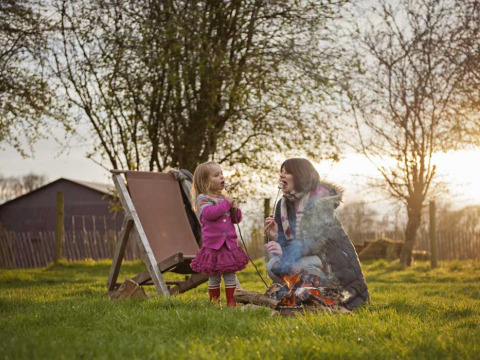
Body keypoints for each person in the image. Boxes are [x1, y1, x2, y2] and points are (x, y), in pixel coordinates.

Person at [264, 158, 370, 309]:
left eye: (287, 172)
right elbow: (286, 244)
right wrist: (275, 235)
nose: (281, 176)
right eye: (281, 172)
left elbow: (314, 244)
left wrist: (285, 253)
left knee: (302, 265)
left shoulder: (320, 202)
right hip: (302, 257)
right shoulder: (282, 204)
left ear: (301, 175)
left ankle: (319, 294)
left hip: (329, 261)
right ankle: (298, 295)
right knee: (272, 266)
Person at [190, 161, 248, 307]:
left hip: (228, 246)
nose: (222, 177)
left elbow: (236, 219)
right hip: (213, 247)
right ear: (205, 182)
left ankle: (231, 302)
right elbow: (210, 214)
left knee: (230, 275)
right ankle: (215, 303)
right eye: (216, 175)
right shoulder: (203, 199)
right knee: (214, 276)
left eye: (222, 173)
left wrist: (235, 209)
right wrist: (227, 204)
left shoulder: (223, 199)